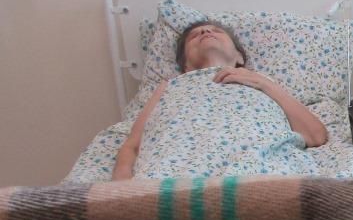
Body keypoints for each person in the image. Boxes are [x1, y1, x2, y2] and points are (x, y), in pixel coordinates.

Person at [112, 20, 328, 180]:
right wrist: (121, 187)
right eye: (194, 36)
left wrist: (262, 83)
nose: (206, 31)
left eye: (216, 31)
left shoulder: (263, 82)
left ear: (239, 57)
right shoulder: (170, 86)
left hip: (259, 168)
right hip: (176, 170)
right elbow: (133, 145)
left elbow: (316, 135)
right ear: (185, 65)